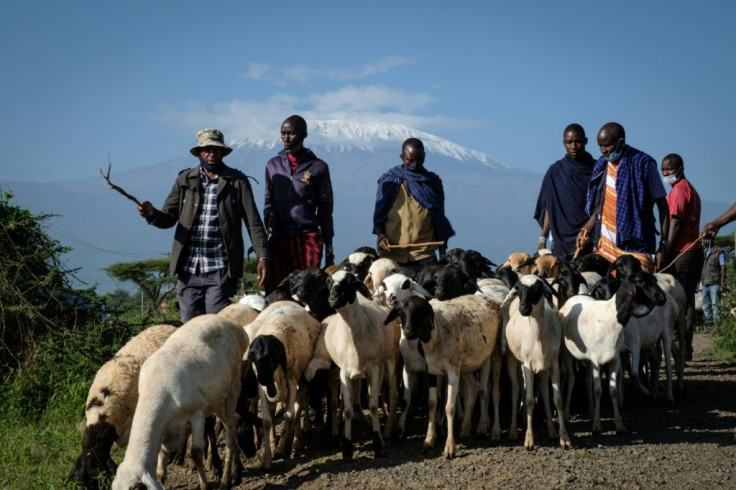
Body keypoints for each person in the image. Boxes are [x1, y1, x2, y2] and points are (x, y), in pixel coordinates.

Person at [138, 128, 269, 322]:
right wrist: (152, 214)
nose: (211, 154)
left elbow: (253, 222)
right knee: (190, 328)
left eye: (216, 150)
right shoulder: (185, 180)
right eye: (206, 149)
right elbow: (168, 218)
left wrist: (262, 255)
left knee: (216, 327)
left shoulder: (237, 182)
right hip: (188, 269)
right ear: (199, 152)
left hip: (221, 268)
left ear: (223, 152)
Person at [576, 122, 670, 272]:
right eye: (600, 146)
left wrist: (664, 244)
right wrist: (585, 229)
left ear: (621, 142)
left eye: (607, 146)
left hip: (635, 249)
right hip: (604, 248)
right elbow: (600, 207)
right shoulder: (602, 166)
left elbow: (663, 207)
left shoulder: (644, 164)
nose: (603, 151)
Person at [263, 115, 334, 293]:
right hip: (280, 237)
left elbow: (326, 208)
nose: (286, 138)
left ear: (303, 135)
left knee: (306, 290)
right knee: (277, 290)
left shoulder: (318, 167)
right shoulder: (272, 165)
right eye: (283, 134)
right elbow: (268, 200)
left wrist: (329, 244)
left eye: (291, 134)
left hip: (307, 237)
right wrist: (268, 214)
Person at [373, 137, 455, 267]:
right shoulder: (389, 182)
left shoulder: (432, 183)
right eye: (410, 160)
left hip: (424, 256)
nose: (415, 164)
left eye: (419, 160)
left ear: (424, 157)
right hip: (392, 257)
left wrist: (442, 255)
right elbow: (379, 216)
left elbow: (439, 220)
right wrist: (381, 236)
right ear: (402, 157)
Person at [661, 153, 703, 359]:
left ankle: (678, 347)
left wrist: (665, 250)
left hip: (682, 252)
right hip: (694, 250)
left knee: (677, 300)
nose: (666, 173)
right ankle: (686, 347)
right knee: (687, 300)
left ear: (680, 168)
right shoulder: (691, 190)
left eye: (669, 169)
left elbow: (675, 223)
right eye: (663, 170)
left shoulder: (678, 191)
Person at [534, 123, 596, 259]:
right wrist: (542, 238)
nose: (573, 147)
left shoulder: (597, 170)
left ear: (585, 141)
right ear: (564, 143)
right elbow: (549, 207)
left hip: (590, 240)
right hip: (561, 241)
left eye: (577, 142)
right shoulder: (555, 171)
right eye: (569, 142)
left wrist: (587, 230)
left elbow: (602, 207)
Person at [701, 240, 726, 325]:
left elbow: (723, 266)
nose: (705, 241)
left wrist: (722, 281)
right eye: (704, 239)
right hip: (704, 282)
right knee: (705, 306)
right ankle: (709, 325)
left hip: (715, 282)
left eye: (708, 239)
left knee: (715, 305)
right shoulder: (703, 251)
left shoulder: (719, 251)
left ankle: (717, 325)